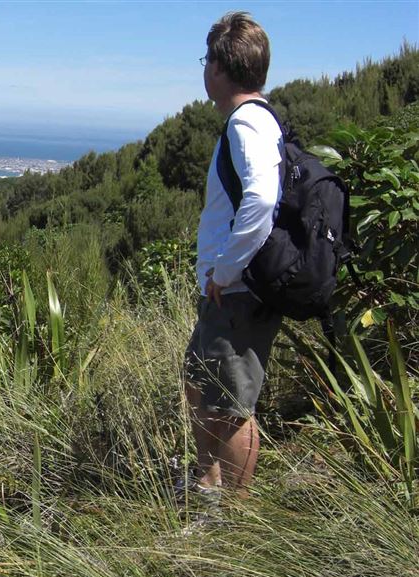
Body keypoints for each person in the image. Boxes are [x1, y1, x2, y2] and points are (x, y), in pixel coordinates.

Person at [183, 11, 283, 505]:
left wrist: (225, 271)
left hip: (236, 291)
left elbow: (261, 200)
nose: (204, 71)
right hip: (227, 290)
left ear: (220, 68)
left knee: (232, 403)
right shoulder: (251, 123)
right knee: (201, 382)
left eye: (207, 61)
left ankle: (236, 524)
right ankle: (209, 485)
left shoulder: (247, 124)